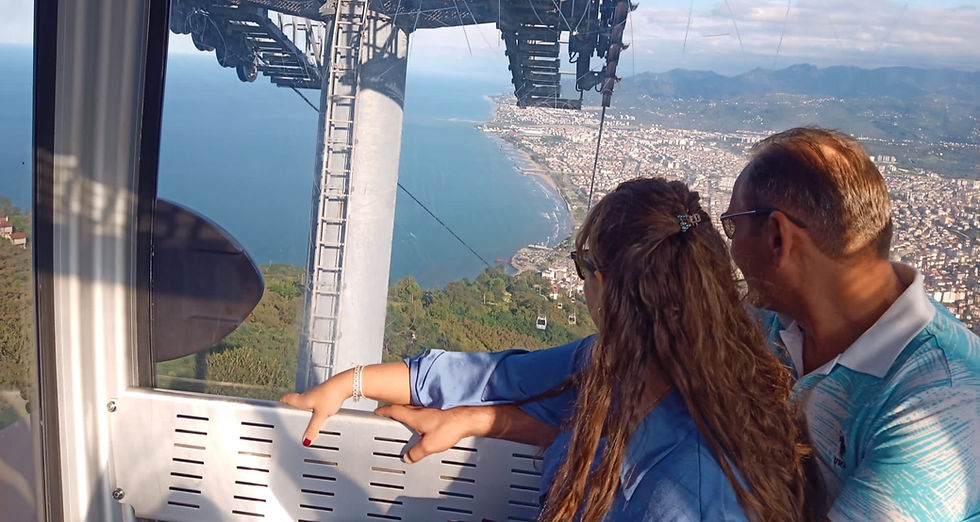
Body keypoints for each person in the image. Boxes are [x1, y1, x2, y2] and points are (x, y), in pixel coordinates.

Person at [282, 178, 814, 521]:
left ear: (605, 284)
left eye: (583, 266)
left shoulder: (690, 492)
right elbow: (494, 377)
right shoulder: (615, 362)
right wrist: (351, 383)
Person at [719, 127, 980, 521]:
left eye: (732, 226)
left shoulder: (943, 403)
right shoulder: (774, 319)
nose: (732, 247)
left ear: (777, 238)